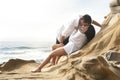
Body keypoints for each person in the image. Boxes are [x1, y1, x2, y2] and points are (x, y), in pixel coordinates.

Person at [32, 14, 101, 72]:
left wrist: (77, 30)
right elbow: (71, 37)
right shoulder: (81, 29)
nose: (83, 26)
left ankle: (39, 68)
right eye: (83, 24)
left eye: (86, 25)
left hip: (70, 48)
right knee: (54, 46)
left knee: (51, 54)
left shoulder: (83, 34)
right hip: (69, 45)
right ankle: (54, 64)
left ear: (88, 29)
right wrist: (101, 26)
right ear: (81, 20)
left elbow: (73, 39)